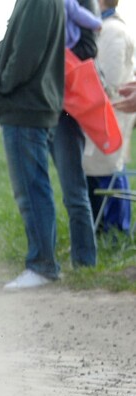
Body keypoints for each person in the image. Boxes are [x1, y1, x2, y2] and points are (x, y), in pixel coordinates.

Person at [0, 0, 87, 290]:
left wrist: (1, 86)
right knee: (33, 187)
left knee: (30, 189)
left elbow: (25, 55)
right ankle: (43, 263)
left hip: (25, 105)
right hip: (30, 104)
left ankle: (42, 265)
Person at [84, 0, 134, 234]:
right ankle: (101, 229)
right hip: (100, 111)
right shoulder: (104, 28)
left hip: (111, 110)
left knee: (110, 169)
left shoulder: (113, 30)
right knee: (98, 169)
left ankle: (116, 231)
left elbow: (111, 80)